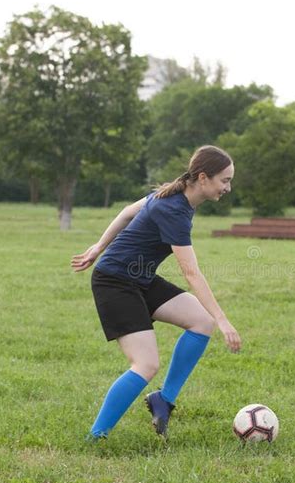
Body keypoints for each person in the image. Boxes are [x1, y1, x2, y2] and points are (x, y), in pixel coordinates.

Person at [71, 145, 242, 440]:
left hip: (140, 277)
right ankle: (96, 437)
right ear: (203, 177)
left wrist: (99, 247)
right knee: (146, 363)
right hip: (114, 281)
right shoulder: (173, 208)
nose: (228, 187)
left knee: (201, 322)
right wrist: (225, 320)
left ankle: (164, 399)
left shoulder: (176, 194)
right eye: (224, 180)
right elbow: (191, 273)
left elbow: (127, 212)